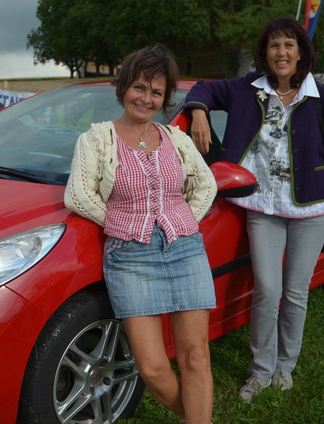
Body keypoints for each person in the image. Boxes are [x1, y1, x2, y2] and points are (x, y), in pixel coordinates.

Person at [184, 16, 324, 403]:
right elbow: (203, 88)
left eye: (289, 45)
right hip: (261, 204)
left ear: (300, 53)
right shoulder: (248, 88)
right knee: (266, 289)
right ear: (264, 53)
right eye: (274, 45)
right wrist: (198, 111)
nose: (281, 52)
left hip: (313, 208)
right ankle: (260, 370)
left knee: (295, 292)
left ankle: (285, 366)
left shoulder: (323, 97)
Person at [65, 44, 217, 424]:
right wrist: (123, 222)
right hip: (130, 256)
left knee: (196, 355)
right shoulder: (97, 139)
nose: (146, 98)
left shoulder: (177, 139)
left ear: (164, 99)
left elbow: (206, 186)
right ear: (123, 88)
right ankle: (198, 416)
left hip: (185, 249)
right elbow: (79, 195)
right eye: (139, 88)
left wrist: (183, 218)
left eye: (156, 92)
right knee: (152, 368)